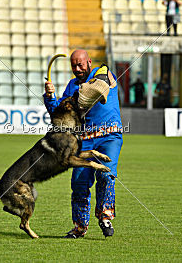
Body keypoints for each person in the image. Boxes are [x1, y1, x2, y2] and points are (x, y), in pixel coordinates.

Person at [44, 50, 123, 239]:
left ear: (89, 62)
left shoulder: (102, 73)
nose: (77, 68)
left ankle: (105, 217)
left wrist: (80, 97)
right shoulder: (72, 86)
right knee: (79, 183)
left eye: (80, 64)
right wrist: (50, 96)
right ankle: (79, 227)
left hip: (109, 135)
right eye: (73, 65)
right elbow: (59, 113)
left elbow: (100, 83)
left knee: (106, 174)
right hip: (85, 140)